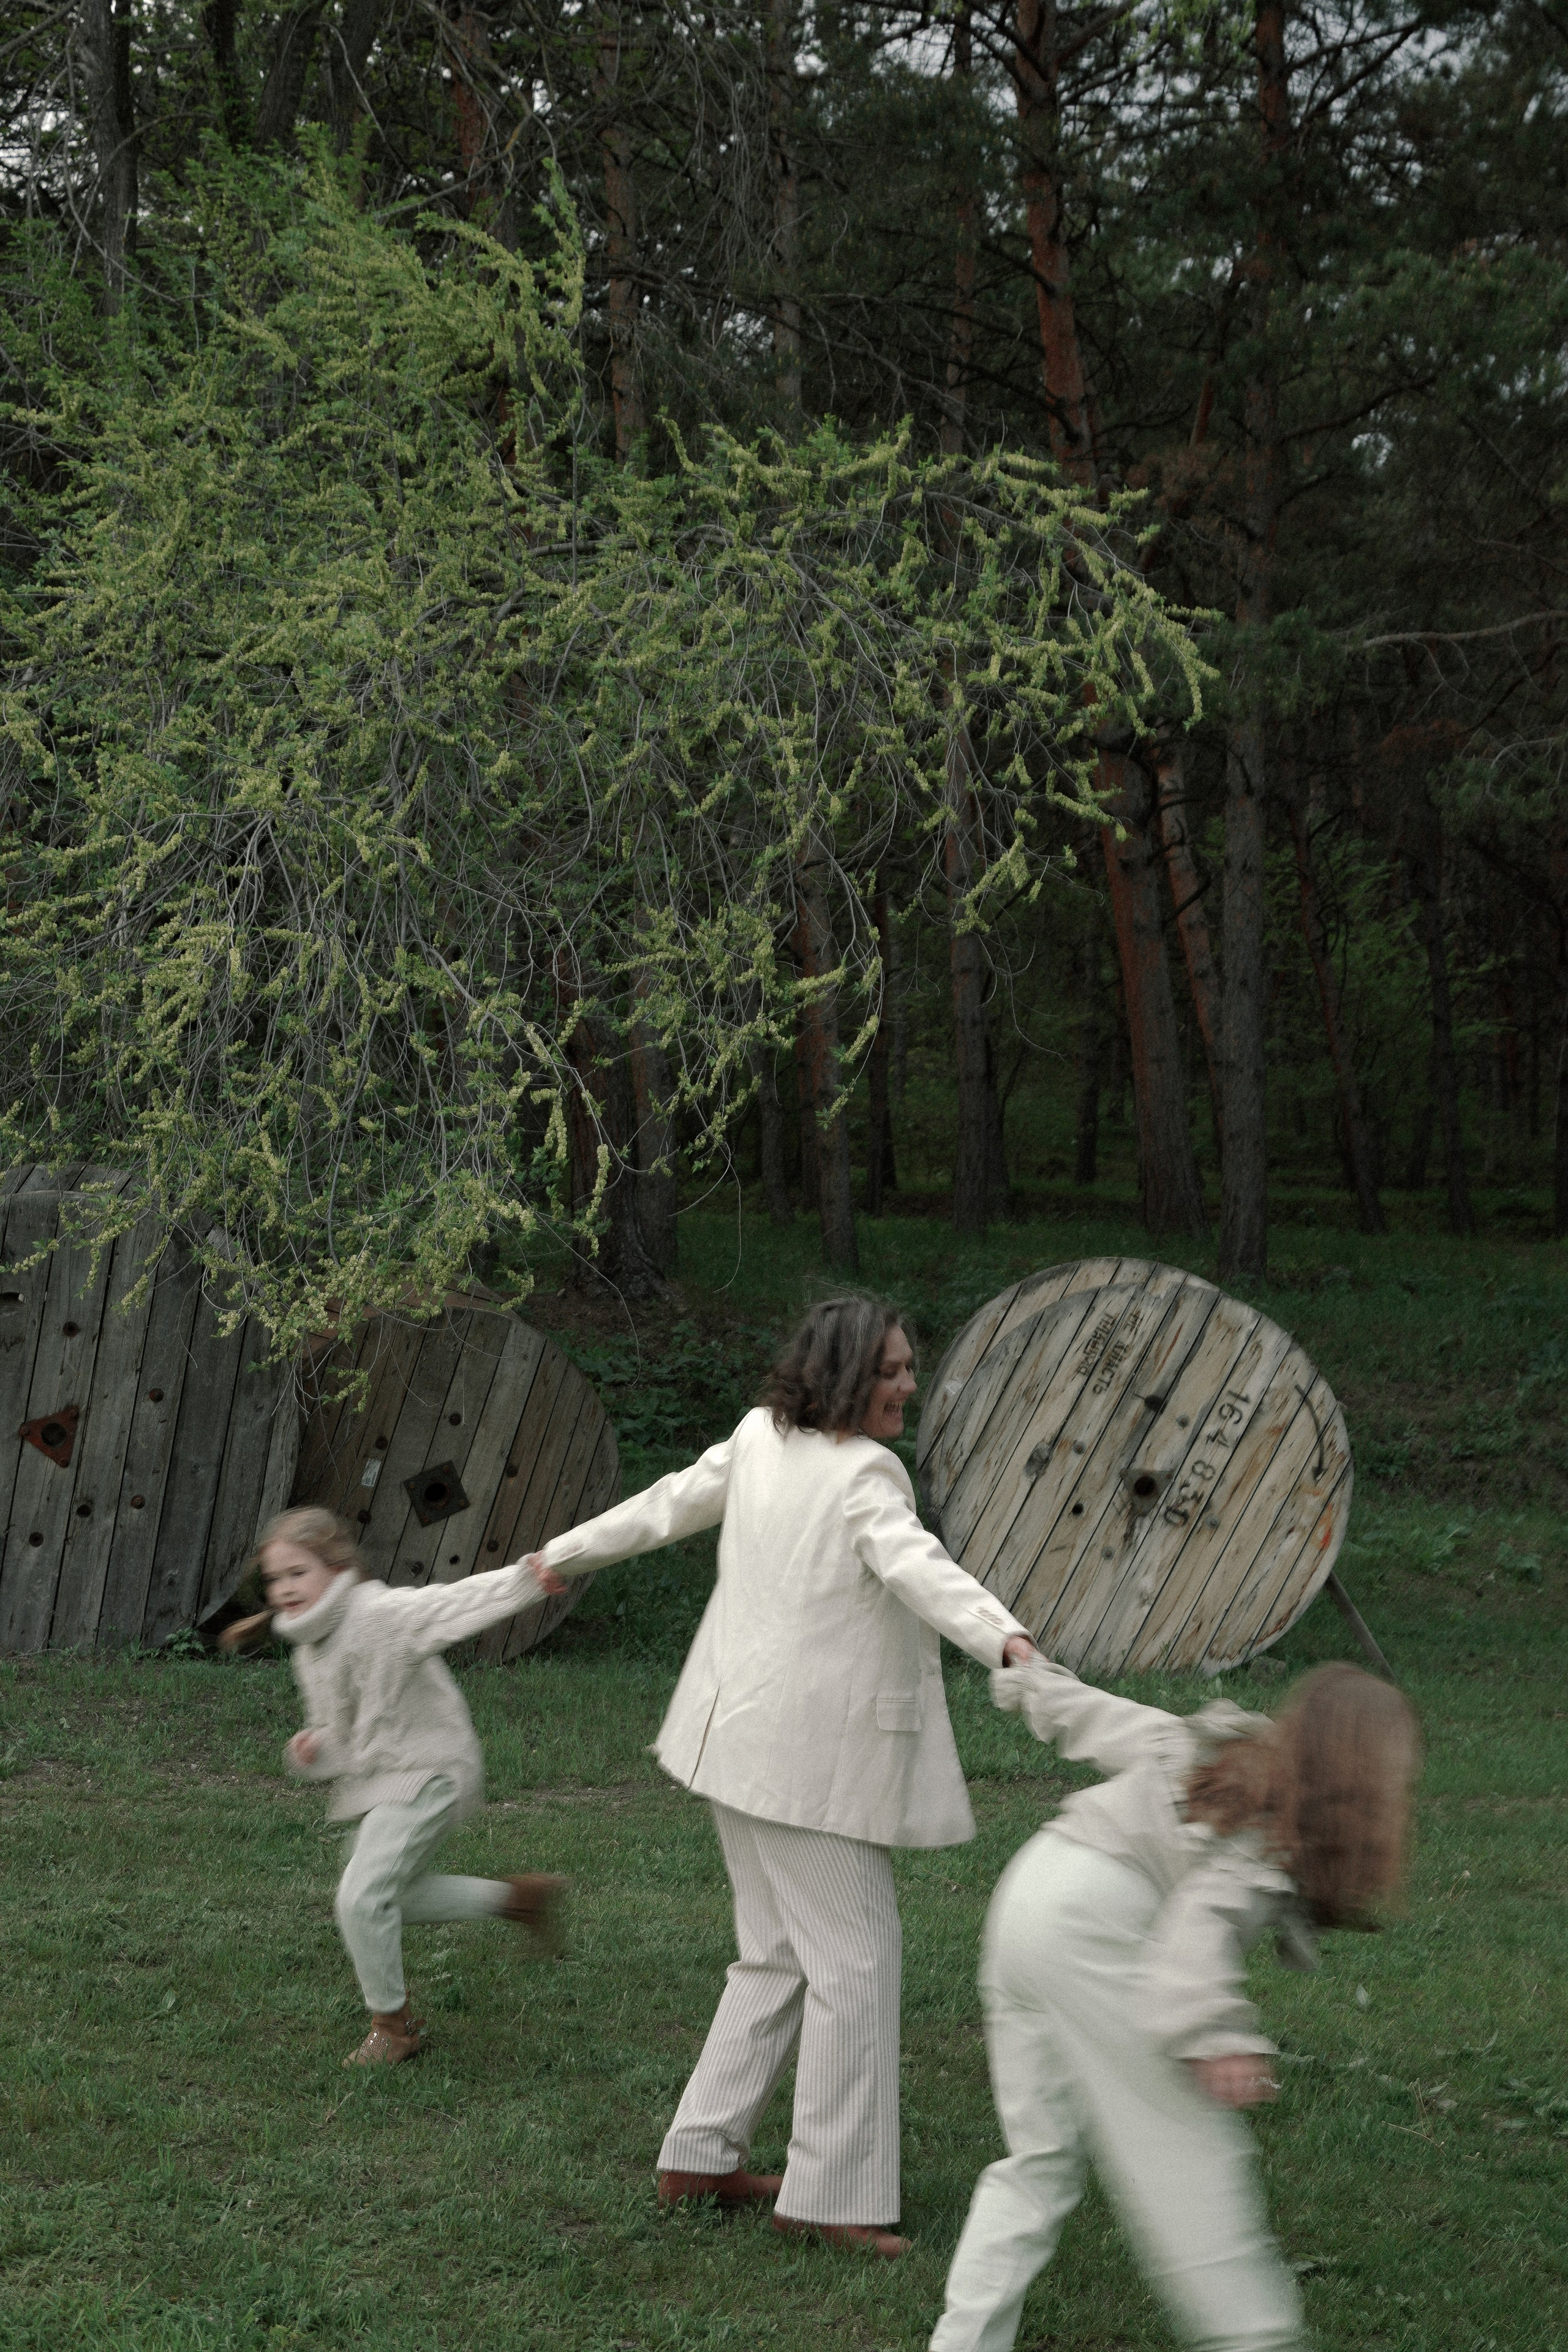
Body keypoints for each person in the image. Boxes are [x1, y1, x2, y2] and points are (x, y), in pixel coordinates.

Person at [524, 1295, 1037, 2259]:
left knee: (775, 1951)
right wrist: (1001, 1636)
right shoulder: (865, 1473)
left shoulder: (761, 1436)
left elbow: (668, 1503)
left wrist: (567, 1552)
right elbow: (920, 1567)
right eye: (891, 1371)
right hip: (804, 1768)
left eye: (908, 1369)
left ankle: (701, 2154)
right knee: (858, 1960)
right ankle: (831, 2196)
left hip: (732, 1745)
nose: (908, 1386)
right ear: (845, 1375)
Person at [929, 1656, 1422, 2352]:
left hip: (1029, 1894)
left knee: (1039, 2157)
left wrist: (1031, 1681)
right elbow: (1199, 1922)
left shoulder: (1212, 1749)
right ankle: (1258, 2339)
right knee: (1188, 2157)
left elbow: (1100, 1718)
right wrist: (1214, 2033)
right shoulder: (1267, 1836)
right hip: (1094, 1931)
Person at [249, 1506, 570, 2068]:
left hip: (430, 1768)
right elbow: (339, 1729)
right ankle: (518, 1900)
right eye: (274, 1578)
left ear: (335, 1566)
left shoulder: (380, 1614)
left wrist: (526, 1581)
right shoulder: (308, 1651)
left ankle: (393, 2029)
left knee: (360, 1896)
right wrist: (314, 1746)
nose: (284, 1588)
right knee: (389, 1897)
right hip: (384, 1778)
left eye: (297, 1572)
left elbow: (454, 1604)